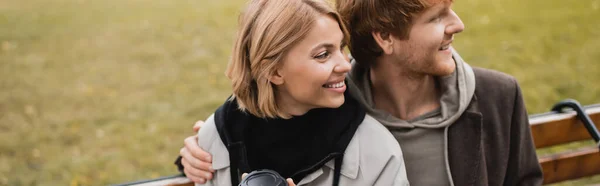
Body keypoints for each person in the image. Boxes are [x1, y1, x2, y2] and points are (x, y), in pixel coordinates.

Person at [179, 0, 544, 185]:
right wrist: (198, 152)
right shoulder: (331, 101)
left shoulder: (499, 96)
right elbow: (262, 119)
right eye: (436, 17)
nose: (459, 24)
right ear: (384, 37)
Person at [176, 0, 409, 185]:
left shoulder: (377, 152)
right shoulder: (213, 141)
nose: (346, 65)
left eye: (341, 48)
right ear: (274, 71)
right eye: (323, 55)